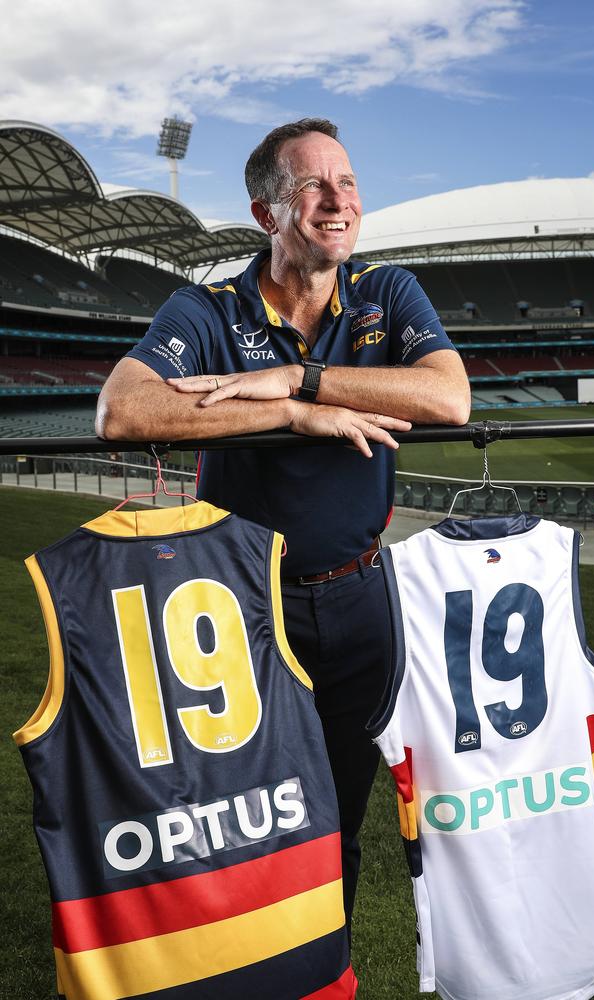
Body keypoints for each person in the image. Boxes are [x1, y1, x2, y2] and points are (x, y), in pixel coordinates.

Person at [96, 118, 470, 939]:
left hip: (360, 602)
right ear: (267, 214)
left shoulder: (385, 292)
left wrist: (299, 376)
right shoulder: (207, 307)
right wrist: (295, 413)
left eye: (347, 183)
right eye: (313, 187)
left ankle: (323, 969)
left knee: (338, 812)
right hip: (234, 611)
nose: (339, 202)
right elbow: (123, 411)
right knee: (236, 816)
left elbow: (449, 400)